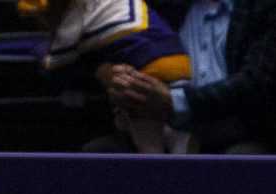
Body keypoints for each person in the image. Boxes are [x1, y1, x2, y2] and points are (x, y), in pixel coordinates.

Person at [102, 0, 276, 154]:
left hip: (238, 127)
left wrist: (172, 103)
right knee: (100, 153)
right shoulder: (166, 6)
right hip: (157, 125)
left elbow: (259, 83)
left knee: (243, 159)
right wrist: (124, 82)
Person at [24, 0, 194, 153]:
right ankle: (177, 141)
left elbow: (57, 62)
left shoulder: (75, 12)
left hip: (147, 71)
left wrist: (40, 51)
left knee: (149, 148)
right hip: (178, 63)